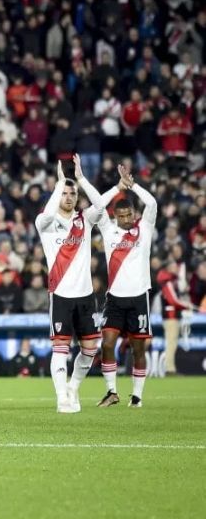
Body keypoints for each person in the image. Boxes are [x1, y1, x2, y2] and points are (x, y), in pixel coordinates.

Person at [34, 155, 107, 413]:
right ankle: (61, 396)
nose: (68, 196)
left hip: (86, 296)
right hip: (62, 295)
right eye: (64, 193)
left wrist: (81, 179)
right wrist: (59, 184)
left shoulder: (84, 220)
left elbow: (102, 204)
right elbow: (45, 214)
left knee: (90, 349)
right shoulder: (46, 224)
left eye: (72, 193)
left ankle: (74, 386)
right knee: (60, 349)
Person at [96, 166, 158, 408]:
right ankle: (112, 392)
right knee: (107, 344)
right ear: (116, 216)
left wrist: (132, 185)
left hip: (139, 298)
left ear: (134, 213)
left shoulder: (144, 228)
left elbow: (151, 203)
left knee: (138, 349)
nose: (126, 219)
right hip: (115, 299)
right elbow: (97, 206)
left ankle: (137, 396)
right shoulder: (108, 229)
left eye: (129, 215)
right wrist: (116, 188)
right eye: (121, 216)